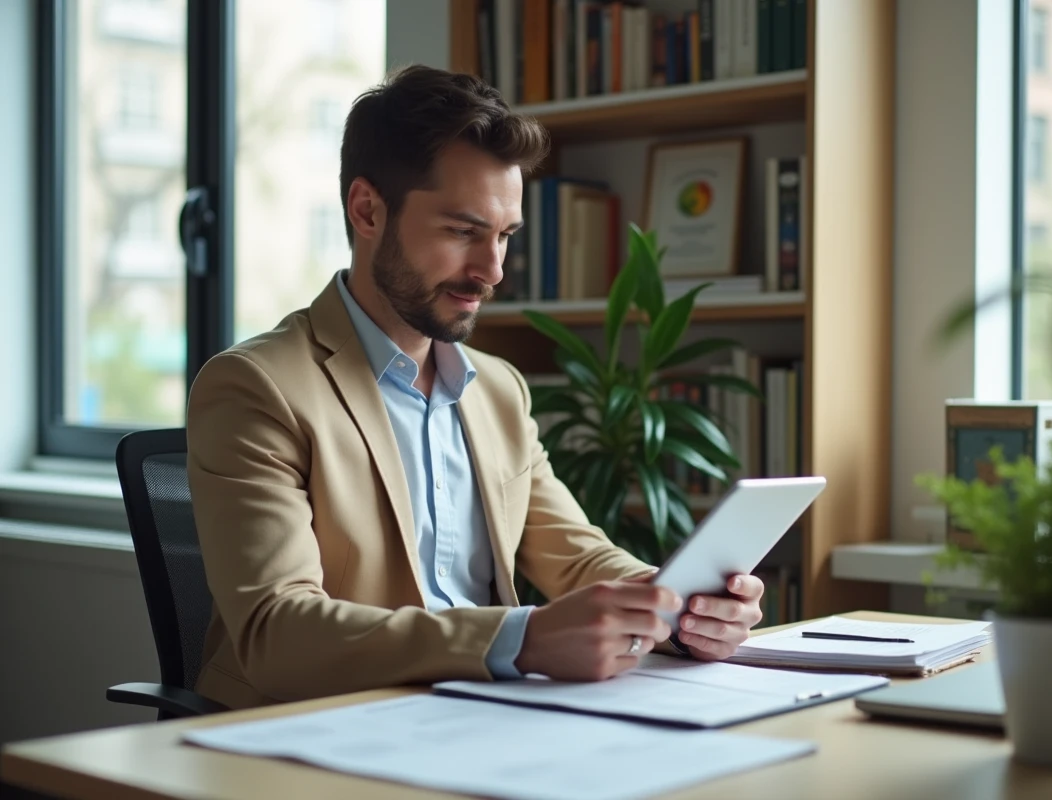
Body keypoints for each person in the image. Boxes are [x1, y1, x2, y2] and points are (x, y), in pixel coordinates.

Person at [186, 64, 764, 710]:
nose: (492, 271)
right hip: (307, 731)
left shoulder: (497, 390)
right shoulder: (256, 387)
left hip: (478, 720)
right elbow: (276, 633)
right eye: (463, 232)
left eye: (505, 236)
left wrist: (681, 606)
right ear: (367, 210)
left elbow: (576, 560)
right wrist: (520, 640)